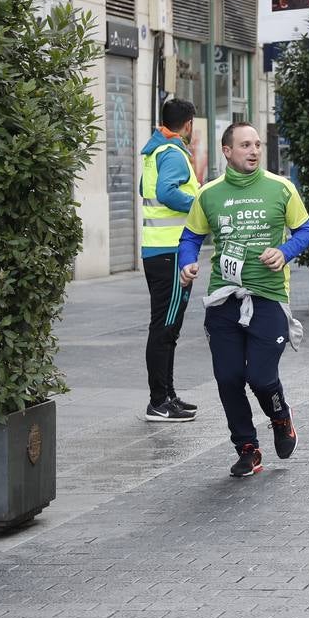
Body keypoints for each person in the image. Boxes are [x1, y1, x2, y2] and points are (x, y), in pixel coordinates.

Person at [178, 123, 309, 478]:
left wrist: (284, 252)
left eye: (257, 145)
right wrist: (187, 262)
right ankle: (247, 448)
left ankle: (280, 417)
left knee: (261, 377)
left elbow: (306, 231)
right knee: (228, 378)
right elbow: (190, 236)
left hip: (268, 298)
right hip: (224, 297)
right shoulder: (209, 194)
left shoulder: (281, 188)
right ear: (227, 151)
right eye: (245, 145)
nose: (254, 151)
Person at [139, 97, 201, 423]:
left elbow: (143, 190)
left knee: (165, 327)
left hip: (155, 252)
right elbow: (165, 193)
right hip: (171, 253)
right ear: (188, 124)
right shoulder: (174, 154)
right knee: (165, 328)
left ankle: (167, 397)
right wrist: (199, 204)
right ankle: (159, 401)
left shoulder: (154, 152)